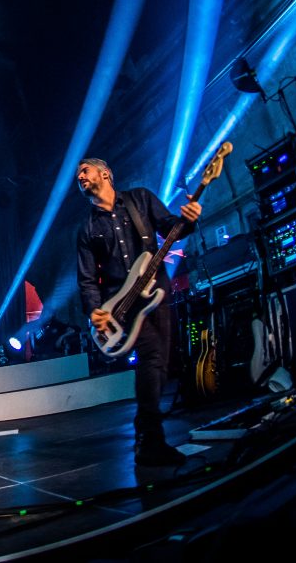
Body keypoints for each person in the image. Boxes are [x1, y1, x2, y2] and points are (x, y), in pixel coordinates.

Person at [75, 157, 201, 467]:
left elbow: (172, 228)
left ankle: (146, 433)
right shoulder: (87, 228)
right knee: (152, 356)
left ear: (106, 173)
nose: (80, 177)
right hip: (122, 305)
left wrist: (189, 219)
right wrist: (94, 311)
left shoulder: (140, 199)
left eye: (85, 170)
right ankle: (150, 439)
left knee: (162, 363)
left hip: (157, 292)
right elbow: (87, 278)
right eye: (79, 175)